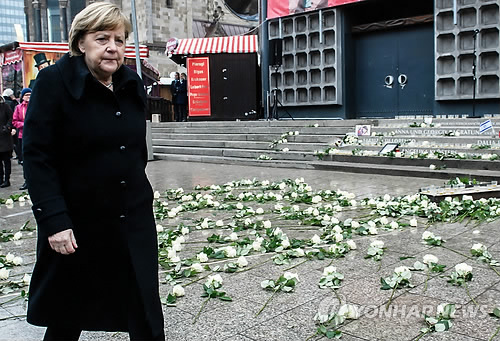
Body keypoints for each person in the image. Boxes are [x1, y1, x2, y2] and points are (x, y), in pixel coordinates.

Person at [23, 3, 165, 341]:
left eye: (119, 39)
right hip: (77, 221)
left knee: (144, 307)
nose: (113, 47)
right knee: (67, 312)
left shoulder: (131, 83)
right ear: (80, 43)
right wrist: (54, 220)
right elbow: (37, 156)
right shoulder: (53, 83)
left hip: (131, 217)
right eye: (102, 38)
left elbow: (134, 151)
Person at [12, 87, 30, 190]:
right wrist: (24, 124)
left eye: (30, 95)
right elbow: (15, 121)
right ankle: (27, 180)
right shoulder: (19, 108)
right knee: (25, 159)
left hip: (35, 134)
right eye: (26, 95)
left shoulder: (36, 105)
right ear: (22, 97)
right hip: (22, 135)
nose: (28, 97)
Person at [0, 96, 14, 188]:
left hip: (4, 137)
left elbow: (11, 118)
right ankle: (0, 179)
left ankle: (7, 179)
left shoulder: (5, 106)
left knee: (6, 160)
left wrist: (7, 127)